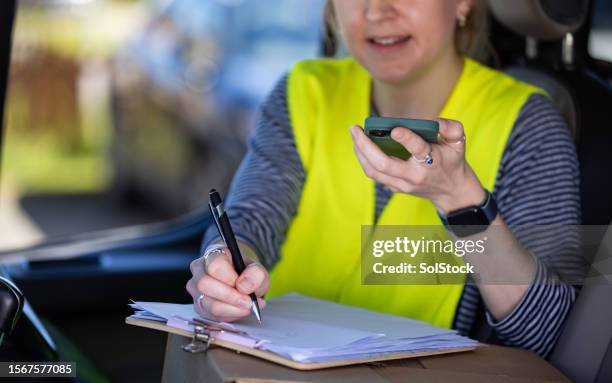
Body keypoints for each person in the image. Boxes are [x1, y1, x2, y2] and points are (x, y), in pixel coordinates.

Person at [186, 0, 582, 357]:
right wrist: (222, 270)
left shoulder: (528, 124)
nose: (377, 10)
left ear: (462, 4)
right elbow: (249, 225)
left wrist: (459, 198)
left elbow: (546, 332)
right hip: (267, 366)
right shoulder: (304, 91)